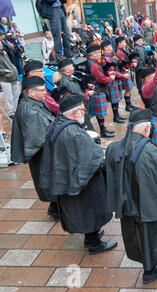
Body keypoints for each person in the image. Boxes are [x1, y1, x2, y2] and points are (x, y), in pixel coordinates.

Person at [105, 108, 157, 284]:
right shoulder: (152, 152)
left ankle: (147, 267)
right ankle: (151, 271)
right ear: (146, 128)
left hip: (127, 206)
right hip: (149, 206)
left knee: (135, 235)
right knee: (152, 238)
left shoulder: (113, 148)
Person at [39, 93, 115, 253]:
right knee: (90, 210)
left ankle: (91, 236)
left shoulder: (57, 123)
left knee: (84, 211)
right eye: (82, 109)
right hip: (81, 183)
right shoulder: (74, 133)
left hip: (65, 177)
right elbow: (91, 160)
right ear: (74, 112)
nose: (85, 112)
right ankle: (94, 244)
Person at [10, 76, 59, 221]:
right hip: (43, 154)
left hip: (44, 153)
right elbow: (38, 139)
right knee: (50, 180)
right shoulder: (31, 111)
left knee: (49, 181)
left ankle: (54, 207)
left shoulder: (34, 102)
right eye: (42, 90)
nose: (45, 93)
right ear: (31, 92)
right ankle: (57, 211)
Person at [52, 58, 95, 131]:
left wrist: (86, 86)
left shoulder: (67, 79)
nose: (74, 68)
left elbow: (75, 90)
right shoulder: (66, 81)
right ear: (66, 70)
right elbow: (74, 97)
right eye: (72, 66)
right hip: (76, 110)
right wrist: (87, 94)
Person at [85, 44, 115, 138]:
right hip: (98, 91)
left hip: (98, 90)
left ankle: (103, 130)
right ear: (92, 54)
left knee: (100, 113)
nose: (100, 54)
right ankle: (103, 131)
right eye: (98, 52)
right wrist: (111, 78)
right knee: (100, 113)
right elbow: (101, 79)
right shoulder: (93, 65)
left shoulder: (93, 62)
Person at [101, 40, 127, 124]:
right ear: (105, 48)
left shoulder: (111, 56)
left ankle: (117, 115)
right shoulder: (105, 58)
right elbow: (112, 71)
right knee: (114, 101)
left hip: (115, 80)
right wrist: (122, 75)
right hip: (112, 81)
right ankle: (115, 117)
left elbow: (116, 66)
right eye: (110, 46)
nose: (112, 48)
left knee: (117, 100)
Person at [115, 36, 139, 112]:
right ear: (119, 43)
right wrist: (131, 65)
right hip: (124, 72)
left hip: (127, 71)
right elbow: (122, 64)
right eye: (123, 42)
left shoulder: (122, 50)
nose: (125, 44)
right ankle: (128, 106)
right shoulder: (118, 52)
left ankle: (129, 104)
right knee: (128, 89)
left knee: (129, 89)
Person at [0, 41, 20, 119]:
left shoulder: (4, 52)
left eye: (1, 43)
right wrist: (4, 71)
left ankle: (17, 109)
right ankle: (11, 112)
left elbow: (9, 61)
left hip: (13, 76)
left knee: (16, 93)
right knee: (9, 96)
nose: (1, 45)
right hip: (4, 79)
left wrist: (12, 66)